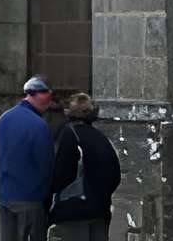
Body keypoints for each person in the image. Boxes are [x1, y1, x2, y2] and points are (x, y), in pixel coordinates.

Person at [47, 98, 121, 241]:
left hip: (74, 211)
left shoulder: (69, 135)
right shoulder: (101, 138)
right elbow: (115, 176)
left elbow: (61, 175)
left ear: (68, 113)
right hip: (100, 210)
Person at [0, 78, 56, 241]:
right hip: (31, 197)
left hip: (6, 194)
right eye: (46, 98)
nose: (48, 104)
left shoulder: (4, 119)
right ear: (35, 96)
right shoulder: (39, 126)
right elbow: (45, 167)